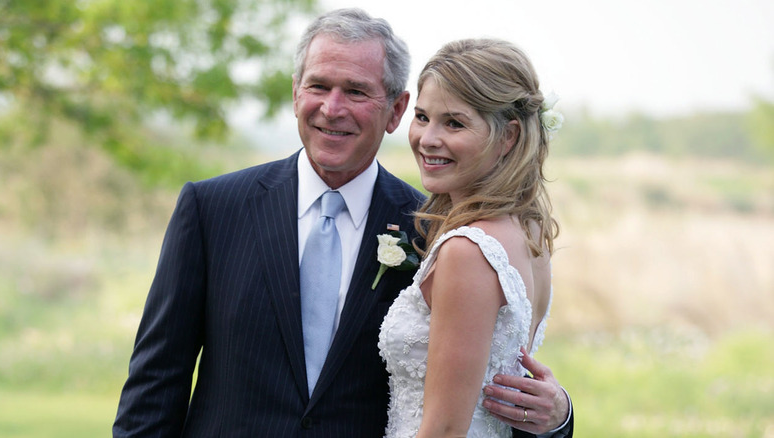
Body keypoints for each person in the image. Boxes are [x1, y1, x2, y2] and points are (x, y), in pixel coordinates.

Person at [113, 8, 572, 437]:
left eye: (355, 91)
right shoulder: (211, 209)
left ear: (395, 109)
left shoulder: (434, 230)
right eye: (318, 86)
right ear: (295, 93)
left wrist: (558, 418)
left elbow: (480, 395)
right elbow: (157, 380)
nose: (332, 108)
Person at [379, 38, 570, 437]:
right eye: (422, 117)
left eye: (454, 123)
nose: (427, 138)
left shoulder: (469, 250)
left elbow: (445, 430)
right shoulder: (529, 230)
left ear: (508, 137)